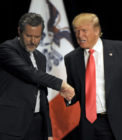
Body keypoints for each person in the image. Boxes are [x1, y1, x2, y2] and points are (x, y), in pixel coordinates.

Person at [64, 13, 122, 140]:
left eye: (84, 30)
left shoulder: (121, 50)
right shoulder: (71, 59)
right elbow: (74, 92)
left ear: (97, 31)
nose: (79, 35)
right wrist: (68, 96)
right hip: (91, 126)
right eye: (76, 31)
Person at [0, 12, 75, 140]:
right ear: (19, 31)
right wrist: (61, 85)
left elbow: (42, 96)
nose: (33, 41)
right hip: (11, 126)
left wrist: (49, 132)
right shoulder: (7, 49)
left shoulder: (40, 57)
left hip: (36, 125)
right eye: (28, 36)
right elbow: (30, 73)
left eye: (37, 36)